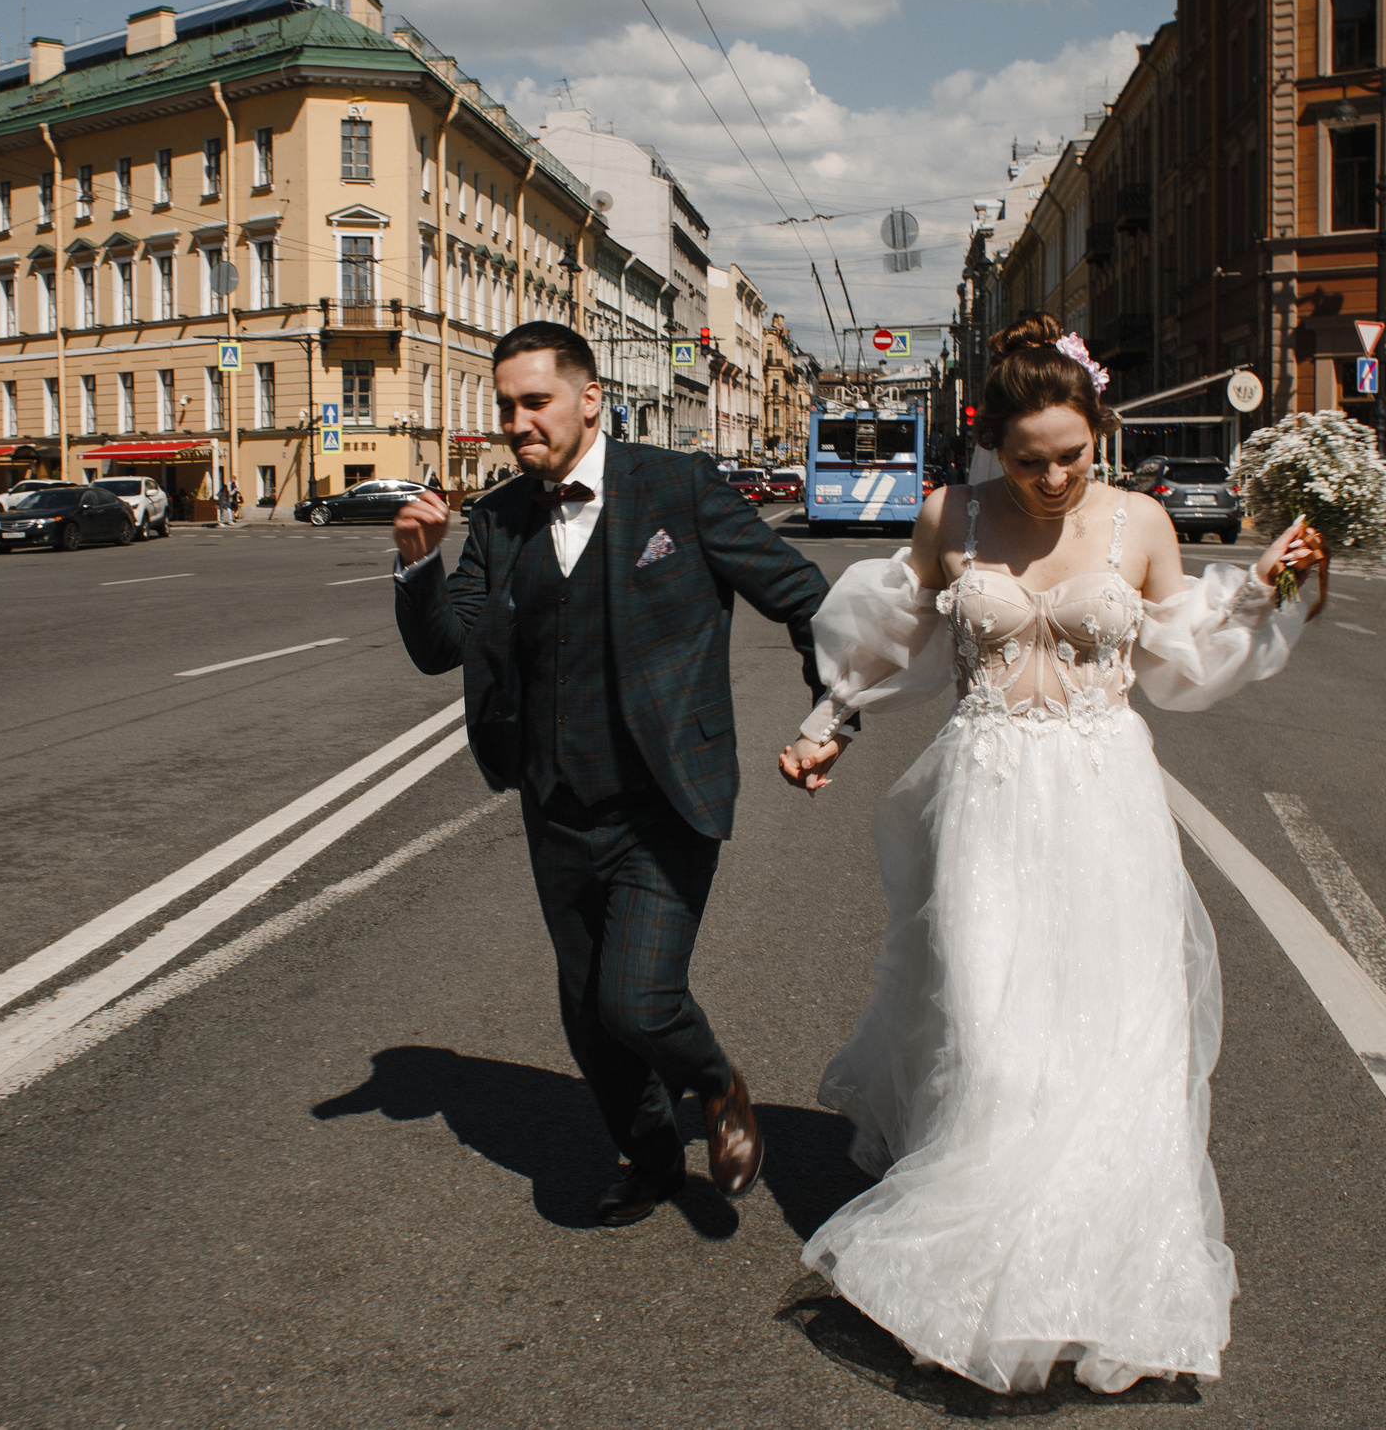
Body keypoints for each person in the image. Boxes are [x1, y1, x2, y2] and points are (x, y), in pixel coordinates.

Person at [775, 311, 1324, 1397]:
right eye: (1029, 461)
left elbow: (1185, 655)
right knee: (993, 1035)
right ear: (992, 446)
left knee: (1111, 1041)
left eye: (1071, 456)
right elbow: (890, 642)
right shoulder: (952, 517)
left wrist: (1258, 588)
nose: (1053, 479)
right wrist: (823, 724)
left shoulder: (1141, 524)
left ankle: (1096, 1281)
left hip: (1103, 800)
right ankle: (974, 1266)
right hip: (984, 796)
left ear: (1099, 435)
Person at [391, 321, 832, 1227]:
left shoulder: (680, 487)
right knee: (590, 1015)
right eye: (506, 406)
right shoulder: (503, 516)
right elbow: (447, 648)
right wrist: (416, 564)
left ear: (590, 398)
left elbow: (802, 596)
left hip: (666, 794)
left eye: (535, 402)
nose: (517, 422)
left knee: (638, 997)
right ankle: (653, 1155)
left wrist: (830, 717)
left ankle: (716, 1085)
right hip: (555, 805)